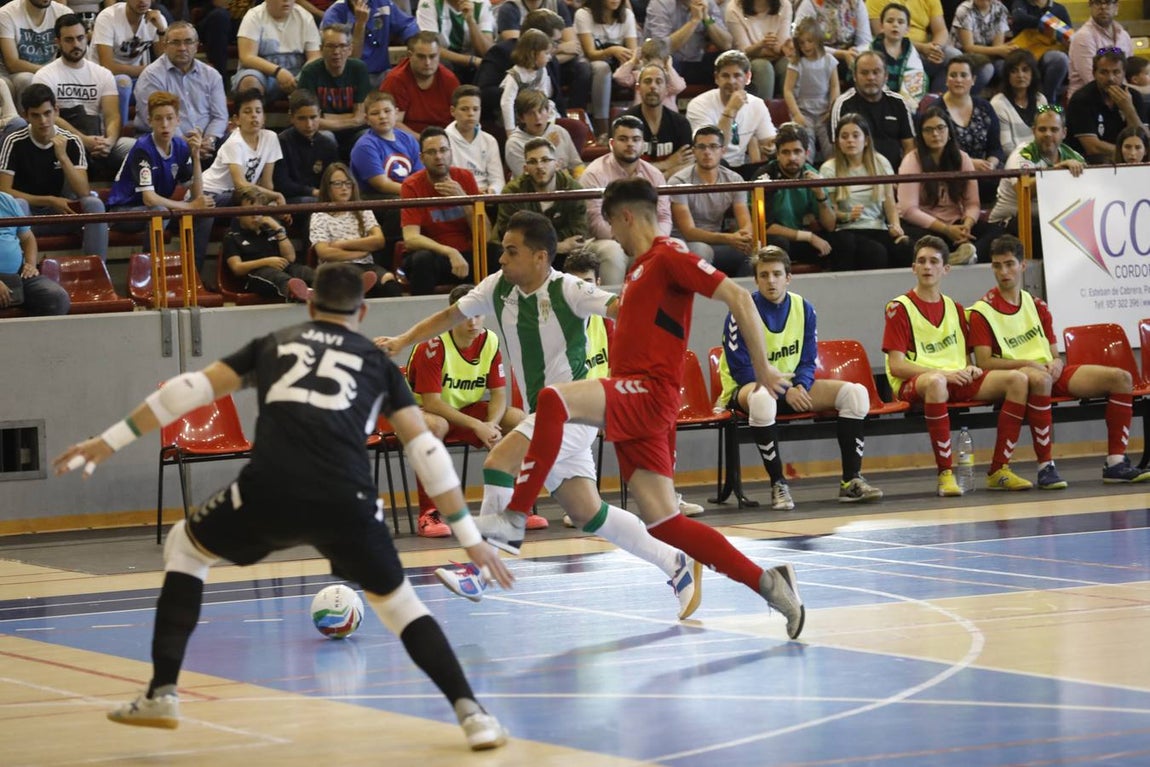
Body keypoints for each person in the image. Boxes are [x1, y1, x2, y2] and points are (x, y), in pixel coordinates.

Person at [53, 261, 512, 751]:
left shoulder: (274, 343)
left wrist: (108, 440)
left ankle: (163, 691)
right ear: (362, 312)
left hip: (270, 490)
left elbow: (188, 390)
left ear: (310, 306)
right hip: (348, 500)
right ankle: (473, 715)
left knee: (185, 547)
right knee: (401, 606)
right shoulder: (377, 362)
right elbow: (424, 450)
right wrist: (470, 538)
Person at [469, 179, 805, 638]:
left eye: (611, 223)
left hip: (647, 391)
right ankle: (769, 583)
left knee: (554, 399)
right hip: (637, 403)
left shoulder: (669, 256)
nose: (613, 236)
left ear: (626, 216)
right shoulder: (640, 268)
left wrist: (763, 369)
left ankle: (513, 520)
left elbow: (739, 297)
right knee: (665, 522)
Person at [377, 210, 705, 618]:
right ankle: (676, 562)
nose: (501, 259)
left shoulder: (570, 290)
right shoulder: (497, 287)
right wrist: (403, 339)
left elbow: (626, 309)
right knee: (587, 512)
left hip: (573, 411)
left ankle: (481, 569)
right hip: (542, 414)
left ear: (540, 257)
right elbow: (450, 315)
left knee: (499, 461)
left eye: (511, 252)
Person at [968, 235, 1150, 486]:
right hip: (1015, 377)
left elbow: (1054, 353)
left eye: (1009, 264)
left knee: (1121, 378)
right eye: (998, 266)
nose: (1004, 271)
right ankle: (1046, 467)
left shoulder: (1037, 305)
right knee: (1041, 378)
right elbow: (984, 362)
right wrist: (1030, 365)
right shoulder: (981, 311)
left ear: (1022, 266)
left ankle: (1116, 463)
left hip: (1045, 371)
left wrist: (1057, 363)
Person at [719, 246, 884, 508]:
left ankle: (851, 481)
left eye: (776, 274)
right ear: (756, 279)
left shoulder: (804, 308)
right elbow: (741, 370)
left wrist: (799, 386)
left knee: (856, 393)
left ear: (788, 277)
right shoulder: (741, 310)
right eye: (764, 275)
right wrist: (787, 390)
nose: (770, 280)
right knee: (762, 400)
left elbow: (808, 360)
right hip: (748, 389)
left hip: (794, 386)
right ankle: (778, 484)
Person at [882, 234, 1033, 496]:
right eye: (921, 261)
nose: (927, 267)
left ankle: (999, 470)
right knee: (937, 382)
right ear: (913, 268)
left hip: (953, 378)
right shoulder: (899, 307)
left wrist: (970, 368)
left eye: (933, 261)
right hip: (916, 384)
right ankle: (946, 474)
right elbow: (896, 366)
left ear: (946, 269)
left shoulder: (956, 308)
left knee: (1018, 380)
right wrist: (944, 373)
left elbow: (963, 359)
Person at [406, 283, 526, 537]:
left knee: (517, 420)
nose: (473, 322)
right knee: (434, 425)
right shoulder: (434, 344)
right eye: (466, 315)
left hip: (466, 411)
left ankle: (513, 508)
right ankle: (429, 513)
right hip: (423, 414)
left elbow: (499, 395)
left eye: (478, 314)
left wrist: (491, 423)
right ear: (453, 314)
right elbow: (432, 403)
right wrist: (477, 426)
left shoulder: (490, 341)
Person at [0, 84, 108, 263]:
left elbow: (83, 192)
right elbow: (4, 191)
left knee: (94, 204)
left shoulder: (72, 141)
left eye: (47, 113)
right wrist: (49, 200)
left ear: (56, 111)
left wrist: (63, 157)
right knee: (18, 204)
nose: (43, 121)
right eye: (36, 115)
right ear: (26, 116)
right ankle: (25, 269)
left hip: (64, 211)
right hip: (29, 214)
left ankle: (98, 269)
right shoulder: (14, 141)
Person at [33, 14, 135, 181]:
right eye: (69, 40)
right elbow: (49, 118)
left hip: (98, 141)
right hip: (62, 141)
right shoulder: (44, 75)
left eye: (80, 38)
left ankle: (130, 196)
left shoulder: (103, 74)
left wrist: (109, 141)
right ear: (57, 42)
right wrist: (83, 140)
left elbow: (113, 116)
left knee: (138, 149)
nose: (76, 44)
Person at [195, 89, 286, 274]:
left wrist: (273, 203)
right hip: (210, 193)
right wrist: (275, 196)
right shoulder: (234, 142)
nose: (254, 116)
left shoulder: (271, 138)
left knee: (263, 208)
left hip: (240, 197)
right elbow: (241, 184)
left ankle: (273, 268)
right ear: (236, 119)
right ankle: (196, 272)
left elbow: (267, 183)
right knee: (213, 209)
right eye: (247, 111)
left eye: (258, 111)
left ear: (264, 117)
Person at [897, 106, 997, 265]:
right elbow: (908, 210)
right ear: (921, 136)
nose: (935, 134)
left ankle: (967, 254)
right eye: (928, 130)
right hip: (925, 225)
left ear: (949, 131)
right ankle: (956, 256)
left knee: (996, 232)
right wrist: (946, 230)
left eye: (940, 128)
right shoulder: (912, 160)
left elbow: (972, 203)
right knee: (911, 243)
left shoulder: (962, 158)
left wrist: (967, 225)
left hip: (956, 223)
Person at [107, 91, 213, 239]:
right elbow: (149, 199)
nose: (164, 125)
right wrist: (189, 206)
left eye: (169, 118)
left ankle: (195, 261)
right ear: (150, 121)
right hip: (124, 211)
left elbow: (197, 195)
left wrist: (195, 157)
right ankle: (151, 261)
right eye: (158, 119)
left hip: (157, 209)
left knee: (205, 210)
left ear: (178, 120)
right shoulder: (142, 148)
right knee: (160, 211)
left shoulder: (181, 146)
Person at [580, 114, 671, 285]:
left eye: (635, 139)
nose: (630, 144)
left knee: (674, 245)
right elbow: (596, 223)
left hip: (645, 240)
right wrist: (635, 240)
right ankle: (611, 309)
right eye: (623, 139)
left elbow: (664, 217)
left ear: (643, 145)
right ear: (612, 143)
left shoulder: (654, 175)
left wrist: (655, 240)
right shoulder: (593, 173)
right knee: (613, 251)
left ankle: (664, 309)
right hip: (604, 241)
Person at [820, 112, 912, 268]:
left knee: (906, 249)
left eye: (856, 135)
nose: (850, 140)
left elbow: (890, 203)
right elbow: (832, 213)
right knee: (875, 252)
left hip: (878, 227)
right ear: (837, 142)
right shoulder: (829, 169)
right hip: (847, 230)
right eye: (844, 136)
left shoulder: (881, 163)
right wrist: (848, 215)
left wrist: (896, 226)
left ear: (866, 140)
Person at [988, 105, 1083, 252]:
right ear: (1033, 131)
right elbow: (1023, 191)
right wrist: (1056, 171)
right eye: (1042, 129)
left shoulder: (1074, 157)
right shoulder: (1023, 154)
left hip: (1049, 222)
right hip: (1006, 223)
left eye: (1054, 129)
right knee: (1041, 227)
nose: (1048, 134)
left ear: (1064, 133)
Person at [132, 21, 228, 167]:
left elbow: (220, 116)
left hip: (206, 144)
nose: (182, 48)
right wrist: (186, 144)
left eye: (188, 42)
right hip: (165, 138)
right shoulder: (151, 76)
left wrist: (209, 140)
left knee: (235, 144)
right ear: (165, 46)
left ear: (196, 46)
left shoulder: (212, 75)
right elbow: (155, 120)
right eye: (175, 43)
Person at [757, 122, 852, 269]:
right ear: (777, 154)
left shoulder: (813, 175)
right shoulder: (765, 177)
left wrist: (821, 195)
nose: (792, 157)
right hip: (779, 240)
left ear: (806, 153)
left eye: (797, 151)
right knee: (777, 244)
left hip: (803, 240)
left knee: (843, 241)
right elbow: (765, 226)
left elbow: (830, 225)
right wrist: (809, 237)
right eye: (786, 152)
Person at [400, 127, 480, 294]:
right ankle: (422, 317)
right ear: (422, 158)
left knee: (496, 253)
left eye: (443, 150)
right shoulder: (411, 185)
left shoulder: (465, 178)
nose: (438, 157)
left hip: (467, 256)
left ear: (451, 152)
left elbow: (483, 235)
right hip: (434, 257)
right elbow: (411, 238)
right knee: (422, 259)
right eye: (431, 152)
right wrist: (449, 251)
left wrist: (463, 199)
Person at [668, 125, 753, 277]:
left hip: (718, 242)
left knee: (752, 253)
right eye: (701, 147)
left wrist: (744, 236)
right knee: (701, 250)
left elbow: (745, 220)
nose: (707, 152)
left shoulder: (734, 180)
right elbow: (689, 232)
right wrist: (728, 238)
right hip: (683, 243)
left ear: (723, 151)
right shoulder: (679, 181)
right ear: (694, 151)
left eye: (713, 147)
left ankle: (742, 298)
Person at [918, 55, 1005, 204]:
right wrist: (969, 163)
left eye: (964, 75)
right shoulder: (934, 110)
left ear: (973, 80)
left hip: (984, 172)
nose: (958, 80)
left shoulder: (985, 107)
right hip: (949, 171)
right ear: (946, 80)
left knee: (1004, 180)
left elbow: (995, 148)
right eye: (953, 75)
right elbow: (933, 151)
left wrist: (991, 164)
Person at [475, 9, 585, 126]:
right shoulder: (501, 53)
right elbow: (484, 93)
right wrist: (525, 96)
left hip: (544, 120)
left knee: (576, 128)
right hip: (508, 120)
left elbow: (557, 99)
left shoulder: (550, 60)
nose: (556, 47)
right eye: (554, 42)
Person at [310, 162, 404, 297]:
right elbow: (324, 252)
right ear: (327, 187)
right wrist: (360, 253)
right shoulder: (319, 215)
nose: (344, 188)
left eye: (348, 183)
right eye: (338, 183)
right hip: (335, 267)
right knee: (349, 282)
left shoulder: (362, 210)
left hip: (366, 266)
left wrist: (341, 244)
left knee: (388, 280)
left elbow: (379, 241)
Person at [494, 137, 587, 268]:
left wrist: (537, 241)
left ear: (557, 164)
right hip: (524, 254)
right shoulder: (513, 191)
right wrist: (557, 246)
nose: (539, 166)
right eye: (533, 162)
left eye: (545, 160)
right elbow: (508, 232)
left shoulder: (573, 189)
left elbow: (578, 231)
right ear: (525, 168)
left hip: (562, 254)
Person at [685, 49, 777, 178]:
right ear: (717, 78)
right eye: (725, 76)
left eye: (737, 75)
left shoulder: (757, 104)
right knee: (719, 162)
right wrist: (730, 111)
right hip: (709, 166)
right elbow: (713, 148)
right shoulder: (699, 104)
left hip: (740, 167)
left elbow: (769, 140)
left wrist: (772, 147)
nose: (731, 81)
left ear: (747, 77)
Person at [223, 187, 315, 302]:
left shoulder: (271, 229)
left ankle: (327, 294)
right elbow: (237, 268)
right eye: (249, 211)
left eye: (258, 210)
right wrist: (267, 262)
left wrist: (278, 229)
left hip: (283, 267)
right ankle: (300, 294)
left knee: (306, 272)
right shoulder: (232, 235)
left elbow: (290, 258)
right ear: (238, 213)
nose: (255, 215)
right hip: (255, 274)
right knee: (279, 278)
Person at [830, 50, 916, 172]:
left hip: (895, 175)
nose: (870, 77)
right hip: (856, 179)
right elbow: (837, 150)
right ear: (854, 76)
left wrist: (902, 178)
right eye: (864, 73)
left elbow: (909, 148)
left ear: (886, 76)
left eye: (876, 72)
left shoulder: (899, 103)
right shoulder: (843, 104)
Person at [297, 23, 371, 158]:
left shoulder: (359, 69)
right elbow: (311, 120)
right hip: (323, 131)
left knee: (366, 137)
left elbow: (362, 117)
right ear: (321, 49)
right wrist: (352, 119)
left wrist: (327, 117)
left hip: (354, 132)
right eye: (330, 46)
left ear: (350, 49)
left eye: (342, 46)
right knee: (326, 137)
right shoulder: (310, 72)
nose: (336, 52)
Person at [90, 0, 167, 128]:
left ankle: (152, 132)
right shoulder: (108, 17)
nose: (142, 1)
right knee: (124, 82)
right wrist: (149, 70)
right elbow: (108, 66)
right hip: (101, 79)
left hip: (136, 79)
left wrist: (162, 31)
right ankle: (119, 133)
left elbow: (165, 61)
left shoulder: (157, 19)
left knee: (164, 80)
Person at [1066, 47, 1147, 164]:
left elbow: (1145, 142)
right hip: (1089, 164)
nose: (1110, 78)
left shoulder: (1134, 97)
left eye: (1116, 72)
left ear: (1124, 73)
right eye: (1104, 72)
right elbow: (1093, 147)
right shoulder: (1081, 99)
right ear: (1094, 73)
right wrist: (1127, 154)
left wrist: (1129, 110)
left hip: (1130, 162)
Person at [233, 0, 321, 99]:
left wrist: (300, 78)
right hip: (263, 74)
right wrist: (278, 72)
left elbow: (315, 57)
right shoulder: (253, 16)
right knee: (249, 82)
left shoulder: (305, 17)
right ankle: (256, 113)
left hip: (297, 75)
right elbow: (247, 57)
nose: (286, 0)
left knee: (316, 78)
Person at [0, 189, 69, 316]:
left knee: (57, 298)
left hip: (19, 274)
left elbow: (28, 238)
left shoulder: (6, 200)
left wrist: (30, 264)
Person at [322, 0, 421, 88]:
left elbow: (408, 25)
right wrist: (360, 24)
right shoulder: (334, 14)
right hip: (350, 78)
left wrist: (414, 47)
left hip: (383, 73)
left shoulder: (383, 4)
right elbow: (351, 60)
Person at [574, 0, 638, 137]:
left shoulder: (627, 15)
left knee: (644, 69)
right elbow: (590, 54)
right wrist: (611, 50)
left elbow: (633, 53)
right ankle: (602, 127)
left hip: (619, 63)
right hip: (590, 63)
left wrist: (629, 60)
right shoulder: (584, 14)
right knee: (602, 68)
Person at [865, 0, 958, 93]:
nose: (895, 24)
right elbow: (882, 34)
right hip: (893, 49)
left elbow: (941, 30)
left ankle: (936, 101)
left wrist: (935, 49)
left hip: (926, 52)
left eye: (900, 22)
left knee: (954, 56)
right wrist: (922, 48)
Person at [620, 63, 694, 178]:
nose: (653, 86)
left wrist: (664, 176)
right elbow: (623, 168)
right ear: (638, 88)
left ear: (666, 89)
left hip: (670, 188)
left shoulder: (681, 123)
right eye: (648, 81)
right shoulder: (623, 123)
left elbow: (688, 165)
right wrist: (667, 163)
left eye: (658, 81)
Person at [381, 31, 460, 136]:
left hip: (444, 139)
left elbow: (460, 118)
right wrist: (424, 141)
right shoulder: (395, 80)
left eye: (432, 56)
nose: (427, 62)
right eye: (421, 57)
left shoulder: (449, 79)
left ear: (439, 55)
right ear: (410, 55)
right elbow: (393, 123)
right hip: (408, 141)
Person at [275, 89, 341, 214]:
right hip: (292, 200)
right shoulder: (281, 142)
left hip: (321, 198)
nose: (309, 124)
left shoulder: (328, 144)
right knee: (316, 205)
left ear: (320, 115)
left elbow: (334, 177)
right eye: (302, 118)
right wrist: (312, 192)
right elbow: (282, 184)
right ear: (291, 117)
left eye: (313, 117)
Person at [784, 17, 840, 163]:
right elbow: (788, 90)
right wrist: (796, 114)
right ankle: (805, 171)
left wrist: (832, 109)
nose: (806, 46)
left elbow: (834, 86)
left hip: (824, 113)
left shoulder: (829, 60)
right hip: (803, 112)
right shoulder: (797, 63)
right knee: (805, 144)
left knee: (831, 144)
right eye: (802, 43)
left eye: (810, 41)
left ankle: (831, 172)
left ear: (818, 40)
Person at [644, 0, 732, 85]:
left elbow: (726, 44)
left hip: (697, 62)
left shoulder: (708, 3)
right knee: (661, 62)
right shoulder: (659, 3)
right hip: (671, 63)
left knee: (727, 60)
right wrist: (694, 21)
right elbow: (659, 49)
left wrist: (707, 18)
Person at [0, 0, 72, 103]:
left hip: (49, 71)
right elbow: (12, 64)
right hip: (12, 74)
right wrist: (50, 72)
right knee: (27, 79)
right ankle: (27, 119)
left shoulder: (63, 13)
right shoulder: (7, 13)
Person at [503, 88, 584, 178]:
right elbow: (529, 180)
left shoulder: (560, 131)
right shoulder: (514, 143)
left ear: (548, 112)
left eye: (541, 111)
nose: (537, 117)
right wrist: (547, 147)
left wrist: (579, 182)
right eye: (531, 113)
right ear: (522, 118)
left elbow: (577, 165)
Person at [415, 0, 495, 84]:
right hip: (444, 58)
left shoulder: (482, 3)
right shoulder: (428, 2)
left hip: (472, 58)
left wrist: (471, 21)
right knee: (438, 62)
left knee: (489, 66)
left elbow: (488, 52)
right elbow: (428, 47)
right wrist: (470, 60)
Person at [725, 0, 792, 100]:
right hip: (747, 60)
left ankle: (792, 112)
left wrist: (782, 49)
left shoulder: (785, 5)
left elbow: (783, 45)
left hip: (777, 57)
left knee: (789, 64)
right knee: (763, 67)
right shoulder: (733, 8)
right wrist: (761, 45)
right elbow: (743, 51)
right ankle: (762, 112)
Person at [1008, 0, 1070, 105]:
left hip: (1049, 54)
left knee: (1060, 58)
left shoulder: (1059, 9)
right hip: (1023, 55)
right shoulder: (1020, 4)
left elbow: (1068, 36)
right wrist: (1047, 23)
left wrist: (1055, 31)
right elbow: (1019, 18)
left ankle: (1049, 103)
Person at [445, 85, 503, 194]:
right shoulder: (443, 139)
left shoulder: (489, 141)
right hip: (455, 198)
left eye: (475, 109)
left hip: (486, 199)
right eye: (464, 109)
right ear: (453, 111)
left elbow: (498, 180)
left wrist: (491, 191)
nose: (471, 114)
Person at [1067, 0, 1131, 99]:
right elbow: (1092, 79)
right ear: (1090, 6)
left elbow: (1129, 71)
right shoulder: (1083, 36)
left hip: (1120, 95)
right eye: (1097, 2)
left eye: (1108, 2)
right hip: (1087, 99)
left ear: (1116, 7)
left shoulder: (1123, 35)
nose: (1103, 7)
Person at [793, 0, 872, 79]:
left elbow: (865, 41)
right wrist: (841, 54)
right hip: (820, 54)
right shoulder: (810, 3)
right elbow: (799, 40)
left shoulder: (856, 3)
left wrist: (855, 52)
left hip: (851, 52)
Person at [990, 48, 1047, 155]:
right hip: (1014, 163)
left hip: (1040, 159)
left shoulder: (1041, 99)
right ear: (1007, 76)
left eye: (1025, 70)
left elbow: (1046, 136)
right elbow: (1006, 148)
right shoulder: (998, 104)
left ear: (1032, 73)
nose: (1020, 75)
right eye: (1014, 71)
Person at [949, 0, 1012, 96]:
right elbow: (968, 48)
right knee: (987, 69)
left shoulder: (1000, 9)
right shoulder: (964, 10)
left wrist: (1002, 50)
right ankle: (969, 98)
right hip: (964, 56)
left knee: (1008, 66)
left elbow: (997, 46)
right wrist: (1000, 50)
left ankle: (1010, 100)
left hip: (990, 55)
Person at [498, 28, 555, 130]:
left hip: (534, 111)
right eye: (546, 53)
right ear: (533, 54)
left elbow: (543, 96)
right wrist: (510, 130)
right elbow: (507, 103)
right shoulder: (515, 75)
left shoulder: (542, 71)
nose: (550, 57)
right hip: (518, 114)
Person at [871, 2, 927, 106]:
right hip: (874, 102)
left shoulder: (911, 54)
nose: (895, 25)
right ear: (881, 26)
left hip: (902, 106)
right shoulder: (870, 51)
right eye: (890, 21)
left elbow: (914, 87)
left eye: (901, 22)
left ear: (907, 29)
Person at [614, 38, 687, 112]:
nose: (653, 67)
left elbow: (678, 87)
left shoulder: (669, 77)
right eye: (648, 62)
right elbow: (619, 77)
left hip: (667, 116)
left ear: (665, 61)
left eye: (657, 64)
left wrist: (669, 67)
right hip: (642, 114)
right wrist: (633, 61)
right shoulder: (639, 75)